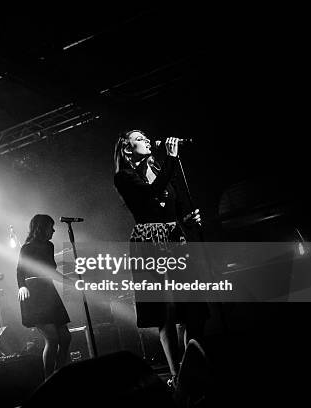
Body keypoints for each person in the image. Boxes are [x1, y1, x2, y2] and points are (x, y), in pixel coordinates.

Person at [113, 130, 208, 388]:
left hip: (175, 238)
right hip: (150, 240)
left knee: (189, 308)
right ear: (127, 149)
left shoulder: (160, 170)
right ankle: (176, 375)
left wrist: (186, 220)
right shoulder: (124, 176)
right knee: (165, 309)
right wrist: (172, 159)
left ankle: (191, 368)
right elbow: (149, 195)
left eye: (145, 136)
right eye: (138, 138)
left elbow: (173, 208)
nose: (145, 139)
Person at [17, 214, 71, 379]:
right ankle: (49, 379)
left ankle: (60, 372)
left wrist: (70, 282)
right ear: (41, 228)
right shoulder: (26, 248)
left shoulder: (49, 246)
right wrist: (22, 286)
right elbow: (20, 270)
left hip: (49, 291)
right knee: (52, 338)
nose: (53, 230)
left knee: (66, 337)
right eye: (50, 227)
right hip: (34, 294)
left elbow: (51, 271)